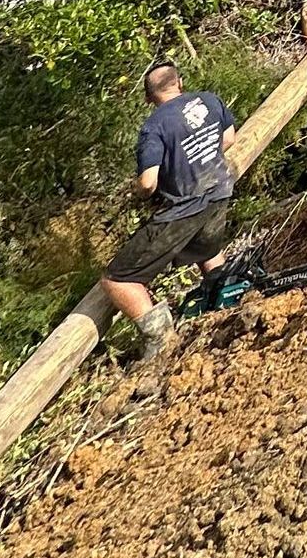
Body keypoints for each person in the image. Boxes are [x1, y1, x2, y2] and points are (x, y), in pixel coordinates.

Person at [100, 63, 238, 354]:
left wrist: (137, 193)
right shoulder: (210, 100)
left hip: (185, 208)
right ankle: (227, 299)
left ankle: (161, 340)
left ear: (148, 97)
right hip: (220, 191)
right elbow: (228, 139)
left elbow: (148, 182)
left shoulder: (155, 126)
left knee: (117, 279)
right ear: (180, 83)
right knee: (206, 248)